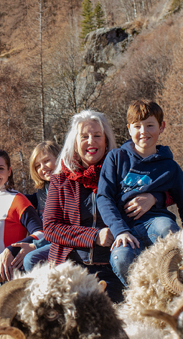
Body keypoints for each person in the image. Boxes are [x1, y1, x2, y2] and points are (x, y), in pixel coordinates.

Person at [43, 110, 159, 303]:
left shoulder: (124, 172)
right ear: (75, 142)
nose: (91, 141)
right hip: (70, 268)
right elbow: (50, 228)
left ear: (106, 141)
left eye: (97, 135)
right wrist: (95, 236)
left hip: (114, 266)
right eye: (84, 137)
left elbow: (170, 184)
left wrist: (155, 197)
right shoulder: (60, 180)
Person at [98, 99, 183, 288]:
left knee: (167, 228)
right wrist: (119, 230)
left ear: (162, 127)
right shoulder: (116, 158)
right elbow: (104, 198)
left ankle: (174, 288)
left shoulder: (170, 167)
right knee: (121, 258)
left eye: (150, 125)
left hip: (156, 223)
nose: (143, 132)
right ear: (129, 129)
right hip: (125, 228)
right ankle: (141, 297)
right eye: (137, 126)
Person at [0, 149, 44, 292]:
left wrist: (12, 249)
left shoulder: (18, 200)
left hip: (7, 282)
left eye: (0, 169)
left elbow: (42, 233)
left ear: (9, 171)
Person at [12, 141, 60, 272]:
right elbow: (16, 200)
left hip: (63, 242)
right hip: (47, 242)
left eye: (47, 161)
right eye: (38, 165)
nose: (43, 167)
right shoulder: (41, 193)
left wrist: (36, 245)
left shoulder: (68, 187)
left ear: (60, 157)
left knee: (31, 259)